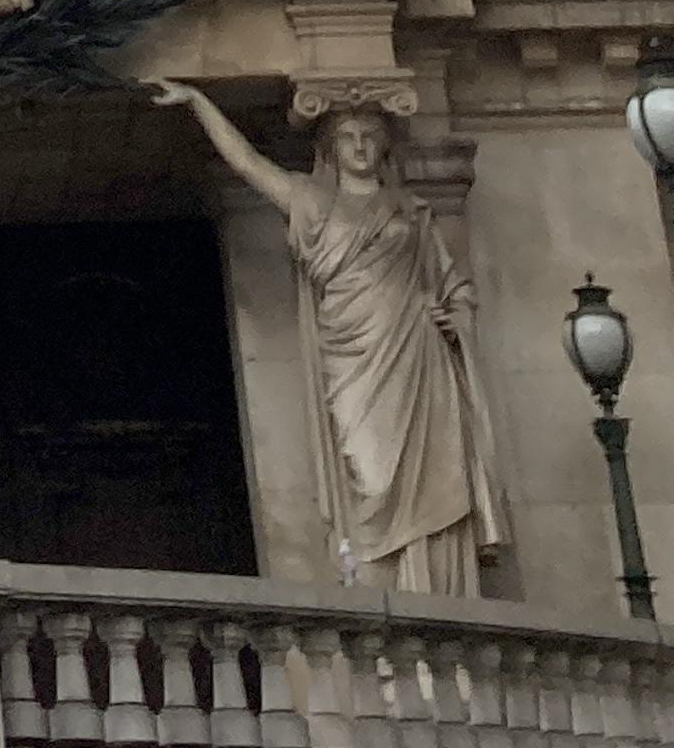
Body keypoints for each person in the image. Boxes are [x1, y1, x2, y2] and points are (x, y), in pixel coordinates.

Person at [151, 82, 504, 592]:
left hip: (417, 351)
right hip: (352, 362)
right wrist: (199, 103)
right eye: (348, 138)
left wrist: (456, 318)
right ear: (331, 150)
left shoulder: (411, 210)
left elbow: (453, 284)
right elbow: (248, 164)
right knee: (370, 473)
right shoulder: (311, 201)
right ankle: (384, 593)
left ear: (384, 146)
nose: (360, 146)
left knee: (432, 474)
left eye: (369, 136)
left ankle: (434, 590)